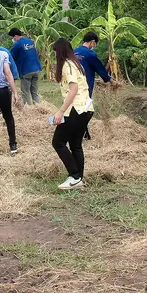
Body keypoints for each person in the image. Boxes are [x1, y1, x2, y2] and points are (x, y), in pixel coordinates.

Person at [51, 38, 94, 190]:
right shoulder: (76, 63)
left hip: (76, 109)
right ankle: (79, 179)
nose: (54, 55)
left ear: (60, 52)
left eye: (55, 52)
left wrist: (60, 111)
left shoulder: (67, 66)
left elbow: (73, 90)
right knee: (75, 144)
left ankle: (74, 175)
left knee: (58, 142)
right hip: (86, 108)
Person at [8, 28, 43, 104]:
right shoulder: (30, 42)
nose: (13, 39)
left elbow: (10, 57)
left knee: (25, 92)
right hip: (36, 69)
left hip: (26, 70)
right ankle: (38, 108)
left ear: (16, 36)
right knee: (34, 92)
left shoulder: (17, 45)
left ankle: (28, 109)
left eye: (12, 37)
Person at [74, 31, 111, 97]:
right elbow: (100, 69)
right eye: (95, 44)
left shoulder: (74, 52)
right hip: (85, 85)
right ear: (93, 42)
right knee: (85, 105)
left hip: (73, 84)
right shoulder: (90, 54)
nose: (94, 46)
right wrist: (110, 80)